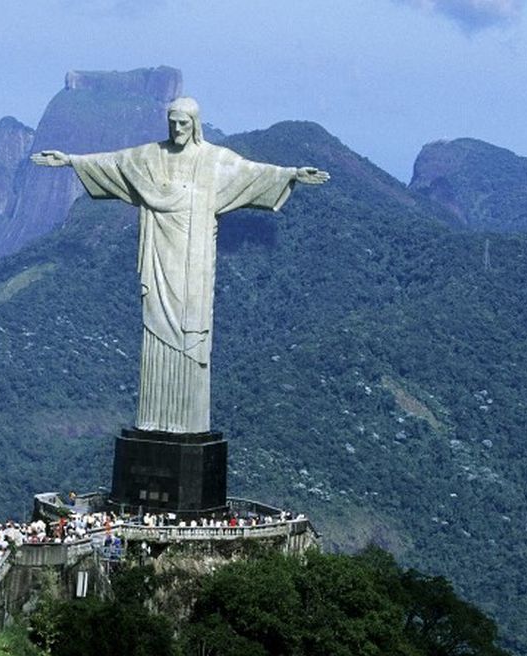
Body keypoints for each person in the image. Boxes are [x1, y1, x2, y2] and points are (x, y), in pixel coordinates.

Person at [32, 97, 328, 433]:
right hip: (159, 261)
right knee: (156, 330)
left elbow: (252, 172)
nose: (177, 129)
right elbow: (115, 163)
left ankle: (186, 421)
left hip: (194, 266)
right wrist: (70, 160)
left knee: (192, 337)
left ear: (196, 124)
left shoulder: (214, 161)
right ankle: (154, 419)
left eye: (183, 123)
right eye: (172, 122)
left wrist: (292, 174)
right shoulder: (151, 157)